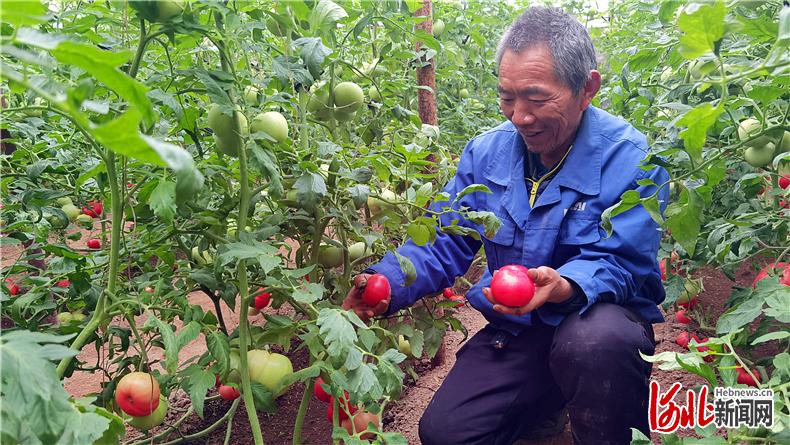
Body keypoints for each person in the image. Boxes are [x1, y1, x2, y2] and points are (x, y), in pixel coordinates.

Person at [343, 6, 669, 445]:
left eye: (536, 98)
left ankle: (608, 428)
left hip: (596, 324)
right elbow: (445, 240)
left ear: (587, 88)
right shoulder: (485, 154)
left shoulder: (630, 158)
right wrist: (384, 283)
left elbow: (626, 264)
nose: (519, 116)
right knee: (446, 434)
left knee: (593, 344)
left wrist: (566, 285)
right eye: (506, 97)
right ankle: (547, 403)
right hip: (520, 329)